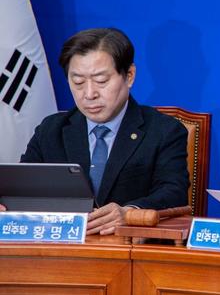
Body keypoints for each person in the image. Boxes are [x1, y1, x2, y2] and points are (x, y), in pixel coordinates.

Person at [19, 28, 189, 235]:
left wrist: (129, 213)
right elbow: (22, 187)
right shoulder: (51, 129)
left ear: (129, 76)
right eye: (78, 82)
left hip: (127, 246)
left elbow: (174, 192)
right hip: (59, 243)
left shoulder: (164, 131)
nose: (89, 94)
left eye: (101, 81)